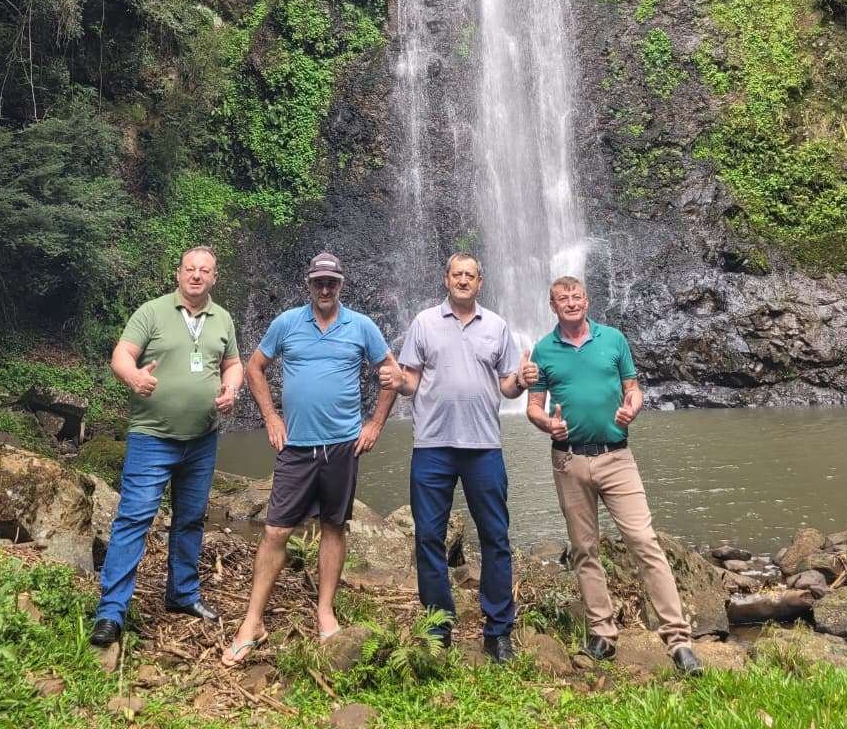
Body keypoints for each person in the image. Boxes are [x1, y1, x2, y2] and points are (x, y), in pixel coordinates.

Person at [222, 251, 402, 666]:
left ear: (340, 285)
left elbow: (391, 373)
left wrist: (375, 424)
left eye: (331, 283)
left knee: (333, 527)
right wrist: (271, 417)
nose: (325, 289)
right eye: (319, 282)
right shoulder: (287, 323)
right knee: (275, 530)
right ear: (309, 284)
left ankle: (324, 611)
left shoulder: (362, 326)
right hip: (297, 448)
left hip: (342, 446)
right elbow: (254, 367)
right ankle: (252, 622)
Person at [526, 276, 702, 675]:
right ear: (552, 306)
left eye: (577, 296)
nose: (571, 302)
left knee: (644, 541)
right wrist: (546, 424)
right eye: (562, 298)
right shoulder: (543, 350)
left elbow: (633, 389)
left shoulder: (614, 339)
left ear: (587, 301)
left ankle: (679, 640)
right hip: (569, 460)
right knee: (584, 549)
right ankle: (602, 633)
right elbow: (534, 406)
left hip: (617, 457)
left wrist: (632, 406)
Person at [388, 253, 538, 663]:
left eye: (470, 275)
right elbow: (411, 380)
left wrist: (522, 381)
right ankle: (439, 627)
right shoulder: (424, 322)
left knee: (495, 536)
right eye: (457, 274)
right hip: (432, 446)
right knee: (428, 537)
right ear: (446, 279)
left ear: (480, 282)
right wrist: (399, 380)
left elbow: (507, 386)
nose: (463, 280)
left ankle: (498, 631)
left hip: (484, 446)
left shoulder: (497, 326)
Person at [90, 246, 243, 647]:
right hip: (152, 437)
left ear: (214, 277)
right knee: (134, 519)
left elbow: (232, 363)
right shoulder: (152, 312)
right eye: (190, 269)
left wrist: (231, 389)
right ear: (178, 274)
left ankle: (183, 595)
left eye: (204, 270)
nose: (196, 275)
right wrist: (134, 377)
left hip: (202, 439)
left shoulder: (222, 318)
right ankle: (111, 612)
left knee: (190, 519)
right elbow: (122, 355)